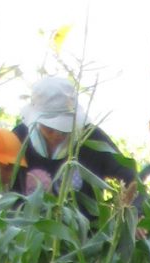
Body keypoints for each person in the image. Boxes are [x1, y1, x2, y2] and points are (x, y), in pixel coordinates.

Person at [14, 76, 137, 212]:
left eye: (64, 129)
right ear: (37, 120)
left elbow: (129, 175)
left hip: (84, 224)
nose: (57, 134)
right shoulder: (20, 138)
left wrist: (136, 210)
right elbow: (3, 184)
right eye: (50, 128)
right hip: (28, 223)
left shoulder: (92, 137)